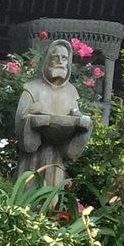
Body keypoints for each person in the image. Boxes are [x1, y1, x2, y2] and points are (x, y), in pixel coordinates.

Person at [15, 39, 93, 188]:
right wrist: (30, 117)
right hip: (33, 159)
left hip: (56, 156)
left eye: (64, 58)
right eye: (55, 57)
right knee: (29, 194)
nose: (60, 61)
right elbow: (20, 122)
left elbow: (77, 115)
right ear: (47, 60)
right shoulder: (32, 89)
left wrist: (81, 121)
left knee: (52, 198)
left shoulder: (71, 92)